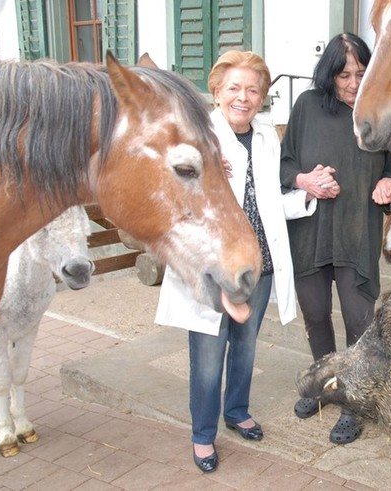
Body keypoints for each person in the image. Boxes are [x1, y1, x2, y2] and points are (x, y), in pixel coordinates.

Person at [154, 50, 316, 473]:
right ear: (217, 91)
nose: (243, 97)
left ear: (262, 97)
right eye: (234, 88)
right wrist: (200, 170)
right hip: (212, 266)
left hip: (255, 264)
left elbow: (266, 201)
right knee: (209, 354)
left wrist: (306, 195)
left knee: (244, 347)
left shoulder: (266, 136)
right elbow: (166, 191)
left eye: (253, 89)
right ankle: (203, 435)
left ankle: (237, 410)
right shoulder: (194, 135)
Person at [280, 32, 391, 445]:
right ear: (329, 74)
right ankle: (325, 385)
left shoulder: (379, 110)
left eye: (361, 73)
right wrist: (304, 181)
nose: (353, 83)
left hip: (356, 234)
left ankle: (354, 402)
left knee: (359, 322)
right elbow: (285, 165)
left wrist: (389, 183)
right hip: (311, 235)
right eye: (344, 74)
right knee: (316, 315)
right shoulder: (306, 108)